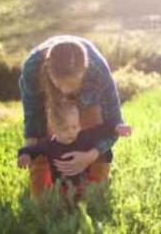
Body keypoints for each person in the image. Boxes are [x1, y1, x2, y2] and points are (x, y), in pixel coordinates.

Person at [18, 35, 130, 198]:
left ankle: (93, 188)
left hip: (88, 100)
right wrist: (29, 152)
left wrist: (91, 155)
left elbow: (113, 123)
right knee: (44, 139)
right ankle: (44, 194)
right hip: (49, 99)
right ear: (49, 69)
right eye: (59, 83)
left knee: (92, 128)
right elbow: (32, 116)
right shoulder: (32, 69)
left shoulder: (98, 70)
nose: (65, 91)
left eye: (72, 84)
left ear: (85, 69)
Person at [17, 98, 130, 200]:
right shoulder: (49, 145)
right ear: (53, 128)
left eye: (75, 127)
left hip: (82, 183)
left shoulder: (83, 137)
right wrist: (24, 155)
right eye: (65, 129)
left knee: (88, 197)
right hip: (61, 186)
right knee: (58, 202)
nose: (71, 132)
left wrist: (117, 127)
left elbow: (102, 130)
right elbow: (33, 149)